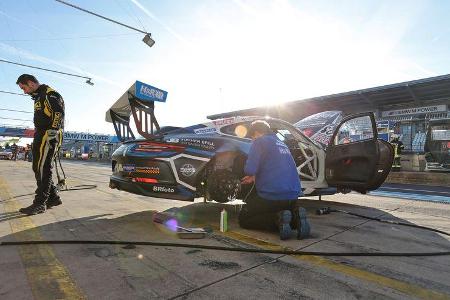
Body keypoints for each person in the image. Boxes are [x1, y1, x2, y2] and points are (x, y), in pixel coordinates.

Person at [238, 120, 311, 240]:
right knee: (280, 209)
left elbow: (249, 169)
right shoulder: (281, 143)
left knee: (244, 218)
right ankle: (295, 219)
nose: (253, 140)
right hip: (292, 195)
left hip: (272, 194)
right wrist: (255, 176)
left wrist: (251, 173)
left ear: (256, 132)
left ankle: (277, 219)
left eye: (252, 137)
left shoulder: (260, 141)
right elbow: (274, 166)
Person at [16, 74, 65, 215]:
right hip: (41, 134)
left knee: (43, 168)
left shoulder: (50, 94)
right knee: (38, 167)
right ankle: (53, 198)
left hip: (48, 135)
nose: (24, 91)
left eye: (23, 87)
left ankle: (40, 203)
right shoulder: (39, 96)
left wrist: (53, 131)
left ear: (31, 83)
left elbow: (58, 113)